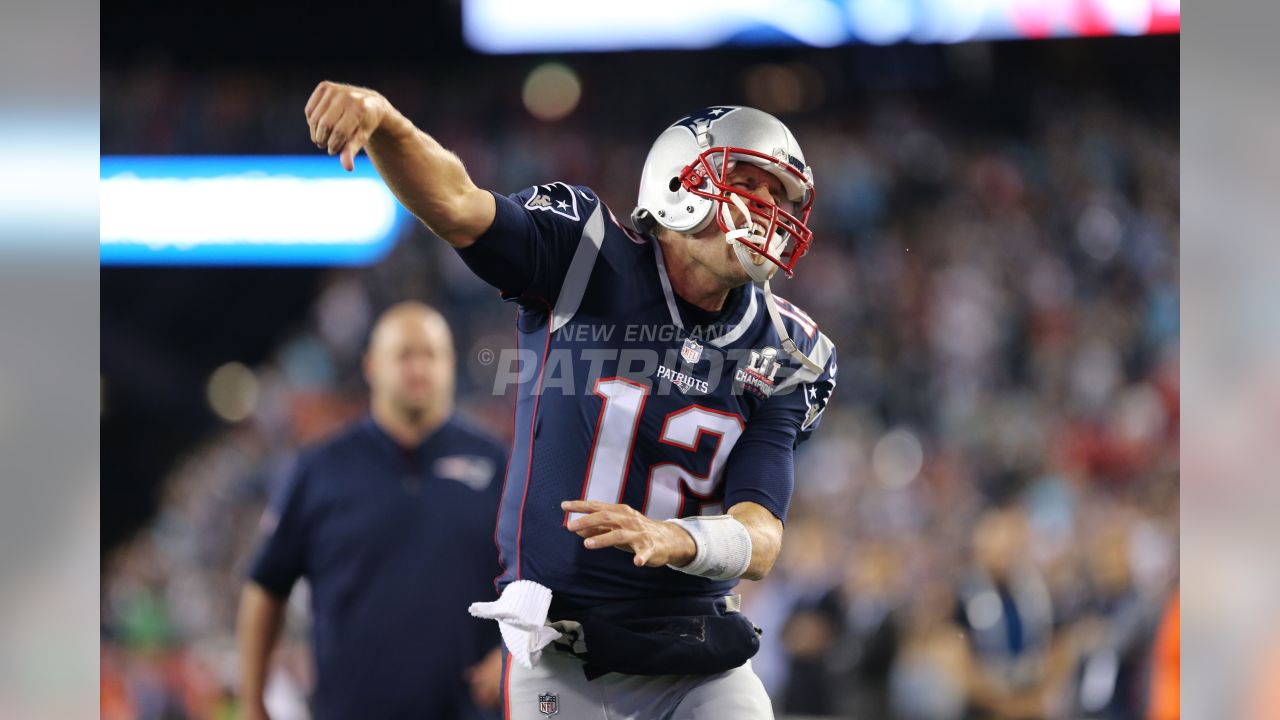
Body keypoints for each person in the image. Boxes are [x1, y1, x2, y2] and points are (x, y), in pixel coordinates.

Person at [304, 82, 838, 720]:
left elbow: (762, 535)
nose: (770, 211)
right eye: (752, 184)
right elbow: (456, 203)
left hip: (700, 652)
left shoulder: (787, 349)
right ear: (679, 182)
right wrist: (388, 125)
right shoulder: (588, 254)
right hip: (563, 652)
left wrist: (676, 537)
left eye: (783, 197)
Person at [237, 302, 507, 720]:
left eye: (430, 354)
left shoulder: (498, 464)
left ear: (450, 364)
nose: (418, 368)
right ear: (370, 365)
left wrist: (512, 655)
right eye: (403, 355)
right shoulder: (319, 469)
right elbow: (266, 586)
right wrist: (253, 701)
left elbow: (543, 579)